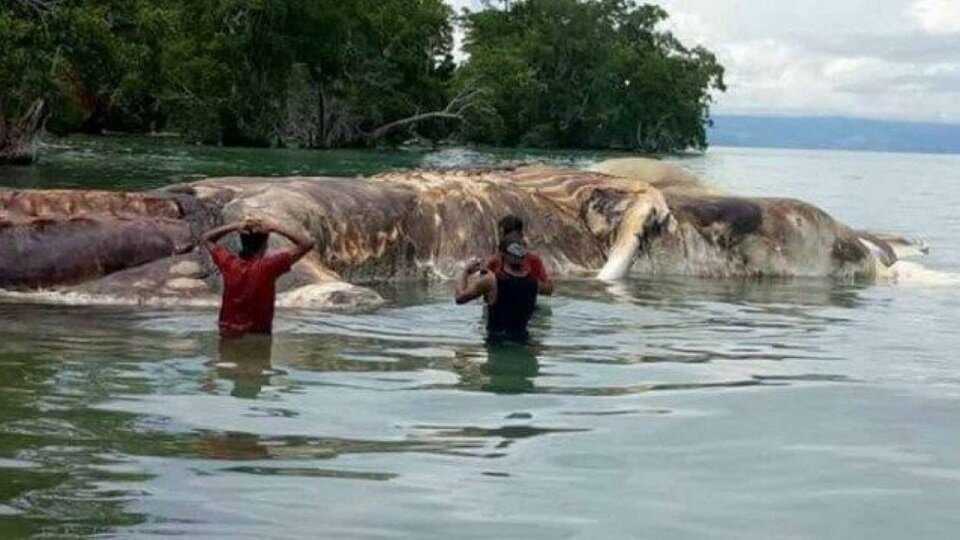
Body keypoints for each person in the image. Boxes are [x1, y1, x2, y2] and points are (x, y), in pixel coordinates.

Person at [202, 218, 314, 336]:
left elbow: (206, 238)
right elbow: (307, 244)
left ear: (242, 242)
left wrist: (234, 226)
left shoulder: (229, 264)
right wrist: (276, 227)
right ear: (264, 245)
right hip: (258, 335)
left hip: (228, 334)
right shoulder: (269, 267)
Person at [456, 232, 539, 341]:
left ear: (501, 254)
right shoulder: (533, 282)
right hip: (523, 342)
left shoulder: (491, 280)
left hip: (497, 345)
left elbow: (459, 298)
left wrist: (465, 272)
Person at [486, 215, 554, 295]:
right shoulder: (494, 261)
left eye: (502, 234)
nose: (500, 238)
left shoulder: (533, 261)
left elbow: (547, 290)